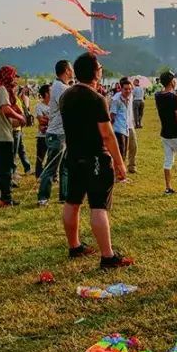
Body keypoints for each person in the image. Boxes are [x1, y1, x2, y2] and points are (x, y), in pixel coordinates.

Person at [59, 52, 131, 268]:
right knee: (97, 206)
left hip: (73, 157)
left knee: (73, 201)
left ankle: (74, 246)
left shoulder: (66, 96)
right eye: (99, 67)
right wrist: (119, 163)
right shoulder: (96, 99)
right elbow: (107, 135)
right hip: (95, 158)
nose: (101, 70)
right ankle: (107, 256)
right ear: (94, 73)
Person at [0, 66, 26, 207]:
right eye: (13, 76)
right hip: (3, 136)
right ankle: (6, 199)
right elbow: (6, 109)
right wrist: (20, 117)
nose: (14, 79)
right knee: (6, 170)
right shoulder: (2, 89)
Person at [37, 60, 72, 207]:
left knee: (65, 166)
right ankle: (43, 197)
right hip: (57, 134)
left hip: (61, 133)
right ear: (66, 71)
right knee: (51, 168)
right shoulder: (61, 88)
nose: (73, 71)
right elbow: (68, 110)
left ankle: (64, 196)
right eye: (71, 68)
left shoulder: (58, 86)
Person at [109, 77, 135, 166]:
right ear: (121, 88)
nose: (128, 91)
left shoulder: (129, 97)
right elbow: (112, 116)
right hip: (118, 130)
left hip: (126, 128)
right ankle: (118, 175)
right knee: (120, 153)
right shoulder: (116, 100)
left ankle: (120, 174)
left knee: (123, 153)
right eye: (125, 89)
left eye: (129, 89)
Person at [34, 84, 51, 177]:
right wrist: (51, 119)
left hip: (53, 134)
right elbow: (41, 120)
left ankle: (53, 175)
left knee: (52, 157)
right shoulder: (39, 106)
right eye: (51, 91)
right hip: (42, 136)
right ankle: (39, 175)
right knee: (40, 157)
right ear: (46, 93)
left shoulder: (55, 105)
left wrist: (46, 119)